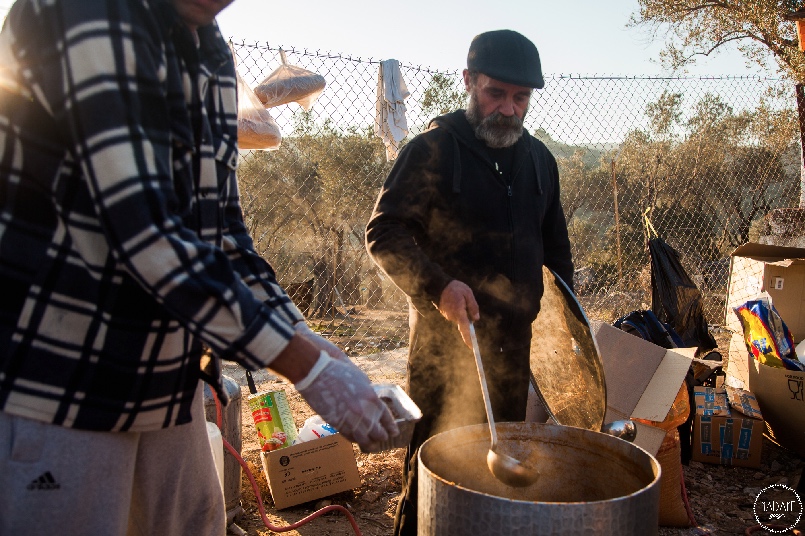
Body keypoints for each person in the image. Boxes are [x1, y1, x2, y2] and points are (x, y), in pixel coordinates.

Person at [0, 1, 397, 535]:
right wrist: (305, 364)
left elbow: (225, 234)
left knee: (197, 522)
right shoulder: (88, 10)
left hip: (164, 372)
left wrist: (306, 337)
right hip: (61, 375)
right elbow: (143, 229)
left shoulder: (208, 48)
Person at [365, 29, 574, 535]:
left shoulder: (540, 162)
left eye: (520, 98)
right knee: (436, 474)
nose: (508, 109)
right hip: (445, 347)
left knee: (496, 470)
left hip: (512, 347)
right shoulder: (432, 150)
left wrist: (567, 327)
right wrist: (439, 287)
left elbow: (557, 253)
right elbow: (385, 232)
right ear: (468, 82)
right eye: (495, 93)